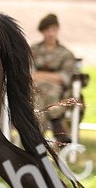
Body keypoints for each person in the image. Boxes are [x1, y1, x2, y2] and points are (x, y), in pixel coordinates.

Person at [30, 13, 77, 142]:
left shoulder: (65, 54)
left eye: (53, 30)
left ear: (58, 30)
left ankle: (36, 137)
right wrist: (51, 76)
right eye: (47, 30)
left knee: (43, 92)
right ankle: (57, 124)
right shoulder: (32, 50)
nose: (50, 34)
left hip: (58, 92)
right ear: (42, 32)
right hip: (35, 89)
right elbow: (30, 75)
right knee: (39, 92)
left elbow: (63, 78)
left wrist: (41, 76)